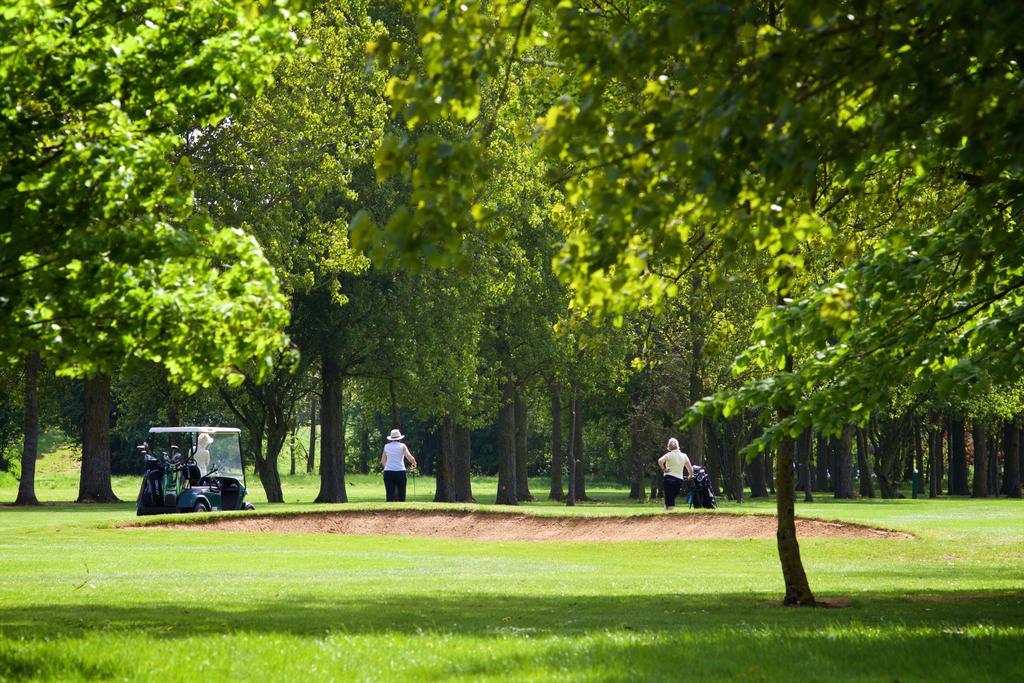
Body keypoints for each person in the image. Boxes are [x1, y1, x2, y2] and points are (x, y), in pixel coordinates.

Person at [381, 428, 417, 502]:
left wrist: (388, 467)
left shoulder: (386, 446)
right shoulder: (402, 446)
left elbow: (383, 461)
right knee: (402, 494)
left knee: (389, 494)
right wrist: (414, 463)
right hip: (400, 471)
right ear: (399, 438)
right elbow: (409, 457)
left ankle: (388, 512)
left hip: (388, 472)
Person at [658, 437, 694, 510]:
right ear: (678, 446)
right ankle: (666, 514)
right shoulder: (684, 456)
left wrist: (664, 469)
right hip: (679, 480)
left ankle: (670, 517)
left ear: (669, 447)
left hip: (668, 479)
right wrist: (690, 476)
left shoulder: (669, 454)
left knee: (669, 501)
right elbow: (690, 469)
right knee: (670, 499)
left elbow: (660, 461)